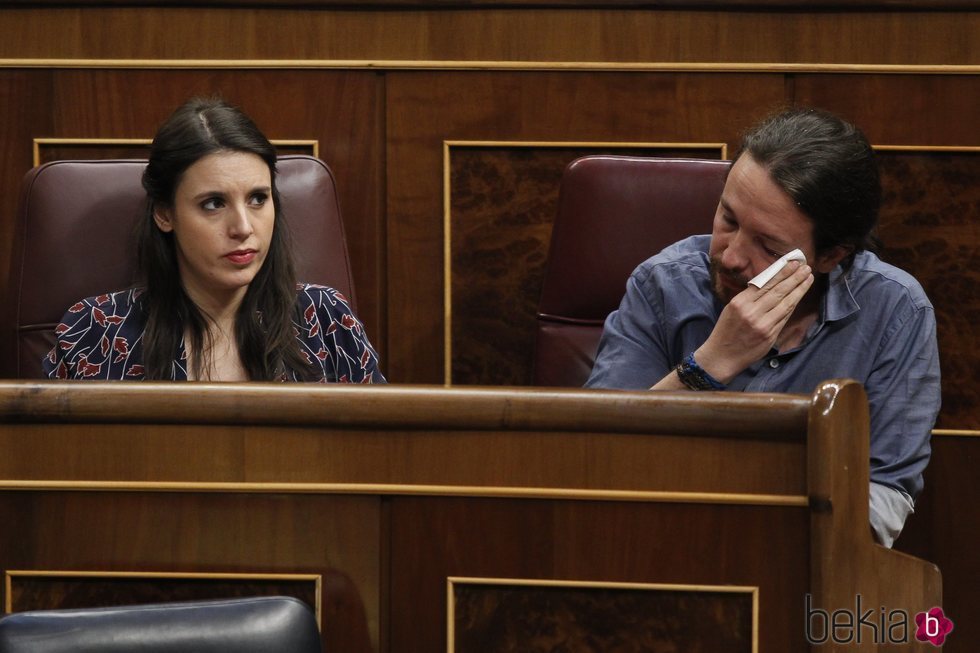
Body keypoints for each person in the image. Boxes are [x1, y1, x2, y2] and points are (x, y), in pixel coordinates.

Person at [586, 107, 940, 547]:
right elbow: (596, 457)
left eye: (769, 247)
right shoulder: (663, 285)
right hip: (651, 545)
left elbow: (885, 493)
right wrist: (712, 364)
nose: (732, 257)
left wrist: (752, 542)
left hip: (803, 567)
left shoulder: (896, 311)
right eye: (728, 219)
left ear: (830, 256)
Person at [44, 97, 384, 384]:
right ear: (165, 214)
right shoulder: (93, 332)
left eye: (257, 199)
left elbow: (377, 456)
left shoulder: (326, 320)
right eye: (213, 204)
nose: (243, 227)